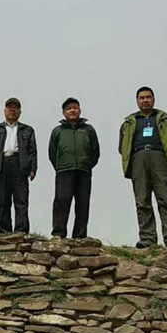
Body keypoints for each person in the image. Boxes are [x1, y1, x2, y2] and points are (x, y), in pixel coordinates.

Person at [119, 87, 167, 249]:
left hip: (159, 158)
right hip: (138, 159)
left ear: (153, 99)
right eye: (142, 98)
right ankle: (147, 238)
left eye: (148, 97)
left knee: (165, 199)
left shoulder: (165, 118)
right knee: (142, 201)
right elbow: (122, 146)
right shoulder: (129, 122)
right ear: (137, 101)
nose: (145, 100)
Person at [0, 97, 38, 234]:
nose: (12, 110)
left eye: (15, 108)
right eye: (9, 107)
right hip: (1, 167)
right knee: (3, 202)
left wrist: (33, 168)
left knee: (21, 201)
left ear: (20, 112)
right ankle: (5, 232)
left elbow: (32, 151)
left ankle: (21, 231)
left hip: (20, 165)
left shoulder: (27, 130)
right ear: (4, 110)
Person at [49, 97, 100, 239]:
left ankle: (80, 236)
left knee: (83, 204)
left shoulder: (88, 130)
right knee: (61, 202)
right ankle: (58, 233)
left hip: (84, 171)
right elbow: (52, 153)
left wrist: (87, 165)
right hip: (64, 171)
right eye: (69, 108)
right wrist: (60, 166)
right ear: (63, 112)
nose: (72, 110)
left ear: (80, 110)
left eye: (75, 108)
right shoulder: (57, 131)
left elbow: (95, 152)